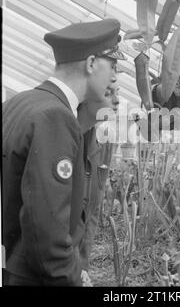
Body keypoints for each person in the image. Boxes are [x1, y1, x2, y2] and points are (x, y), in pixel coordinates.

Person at [2, 18, 126, 286]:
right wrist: (73, 278)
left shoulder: (18, 103)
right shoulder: (56, 116)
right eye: (112, 66)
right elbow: (47, 230)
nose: (114, 77)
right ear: (91, 63)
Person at [76, 83, 120, 287]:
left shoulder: (108, 134)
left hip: (91, 205)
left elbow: (93, 209)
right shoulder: (73, 131)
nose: (117, 100)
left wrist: (83, 266)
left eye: (117, 93)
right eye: (109, 93)